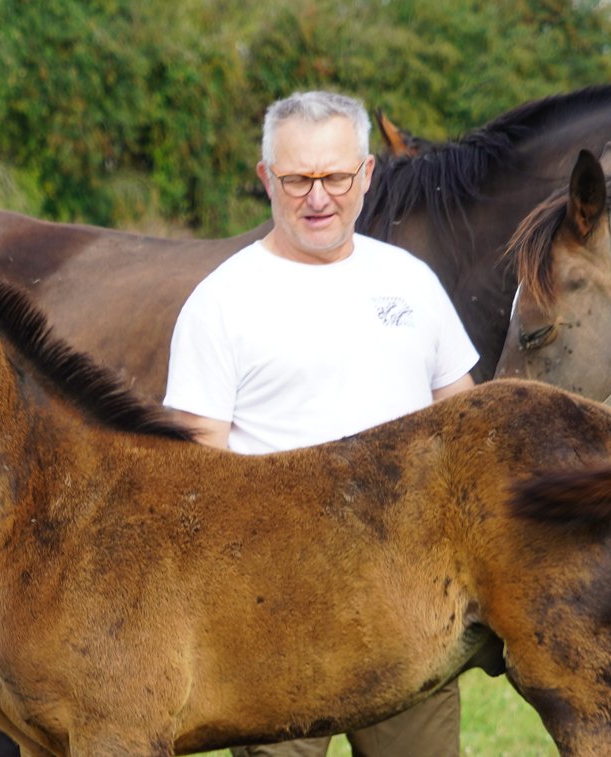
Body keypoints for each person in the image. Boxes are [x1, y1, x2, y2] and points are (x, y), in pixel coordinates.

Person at [163, 90, 477, 757]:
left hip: (409, 605)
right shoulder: (221, 302)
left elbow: (467, 429)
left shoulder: (413, 282)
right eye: (296, 179)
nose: (317, 198)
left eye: (335, 177)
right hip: (277, 617)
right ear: (265, 178)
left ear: (366, 174)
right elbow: (192, 478)